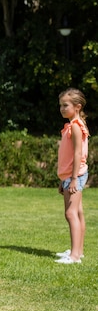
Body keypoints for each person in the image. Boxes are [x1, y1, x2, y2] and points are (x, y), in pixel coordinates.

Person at [55, 88, 89, 264]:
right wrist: (64, 180)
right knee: (78, 212)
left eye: (65, 105)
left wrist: (74, 179)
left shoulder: (75, 126)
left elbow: (78, 154)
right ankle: (78, 251)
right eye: (60, 105)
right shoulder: (72, 125)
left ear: (77, 106)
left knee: (71, 213)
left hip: (74, 176)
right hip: (69, 176)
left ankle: (75, 256)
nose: (61, 108)